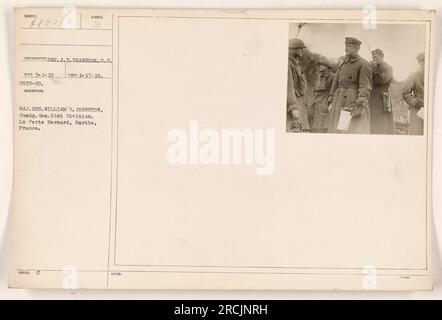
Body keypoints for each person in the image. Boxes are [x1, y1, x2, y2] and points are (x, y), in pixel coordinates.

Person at [327, 37, 372, 134]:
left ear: (356, 48)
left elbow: (365, 86)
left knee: (346, 130)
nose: (346, 48)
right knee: (335, 129)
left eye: (349, 46)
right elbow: (335, 81)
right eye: (345, 46)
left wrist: (360, 103)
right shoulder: (344, 63)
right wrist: (331, 99)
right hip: (338, 100)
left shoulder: (363, 64)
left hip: (350, 102)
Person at [286, 38, 310, 132]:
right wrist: (293, 107)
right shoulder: (288, 64)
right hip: (293, 104)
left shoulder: (297, 65)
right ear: (293, 49)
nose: (302, 51)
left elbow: (303, 87)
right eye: (300, 48)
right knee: (294, 130)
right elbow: (289, 87)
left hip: (300, 102)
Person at [369, 48, 394, 135]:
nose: (374, 59)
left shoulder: (388, 68)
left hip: (382, 99)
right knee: (371, 122)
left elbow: (380, 80)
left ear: (382, 57)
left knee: (382, 124)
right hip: (371, 98)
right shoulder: (371, 67)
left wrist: (373, 69)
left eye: (376, 57)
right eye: (372, 57)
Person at [402, 53, 425, 135]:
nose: (424, 64)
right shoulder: (413, 75)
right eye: (422, 61)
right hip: (418, 111)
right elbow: (405, 93)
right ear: (419, 62)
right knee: (417, 133)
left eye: (426, 61)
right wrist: (415, 102)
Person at [310, 58, 335, 133]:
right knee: (314, 126)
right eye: (320, 64)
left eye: (322, 65)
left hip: (324, 104)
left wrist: (331, 103)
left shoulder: (332, 77)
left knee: (323, 127)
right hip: (315, 104)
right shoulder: (320, 76)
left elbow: (333, 91)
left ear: (327, 66)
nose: (320, 66)